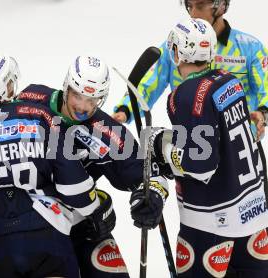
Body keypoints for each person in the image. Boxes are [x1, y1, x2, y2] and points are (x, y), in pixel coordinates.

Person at [17, 55, 170, 277]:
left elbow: (149, 175)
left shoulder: (107, 131)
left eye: (92, 100)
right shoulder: (32, 97)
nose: (82, 107)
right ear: (67, 86)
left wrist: (153, 196)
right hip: (30, 221)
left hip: (82, 218)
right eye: (78, 96)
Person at [0, 51, 101, 278]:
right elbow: (73, 184)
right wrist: (94, 210)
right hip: (45, 229)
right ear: (6, 86)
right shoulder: (40, 115)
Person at [150, 18, 268, 277]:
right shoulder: (229, 80)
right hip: (255, 214)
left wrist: (160, 146)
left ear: (178, 52)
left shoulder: (184, 95)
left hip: (212, 223)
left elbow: (200, 165)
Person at [113, 0, 268, 141]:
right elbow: (148, 83)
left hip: (239, 147)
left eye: (200, 6)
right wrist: (125, 109)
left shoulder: (250, 48)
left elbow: (266, 89)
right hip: (192, 147)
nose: (193, 14)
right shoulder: (176, 45)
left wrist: (263, 113)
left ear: (221, 6)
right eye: (189, 6)